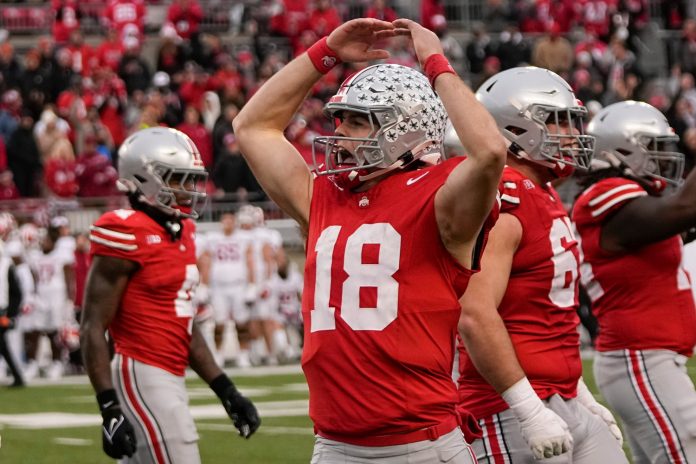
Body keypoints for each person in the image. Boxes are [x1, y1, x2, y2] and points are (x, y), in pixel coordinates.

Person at [234, 17, 508, 462]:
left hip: (423, 445)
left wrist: (435, 64)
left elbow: (491, 152)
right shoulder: (322, 195)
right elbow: (253, 126)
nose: (338, 133)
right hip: (334, 444)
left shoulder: (441, 199)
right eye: (339, 120)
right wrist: (325, 52)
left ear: (407, 129)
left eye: (357, 122)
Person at [453, 66, 627, 463]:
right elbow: (474, 313)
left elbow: (547, 312)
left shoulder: (541, 192)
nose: (572, 135)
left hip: (560, 394)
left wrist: (577, 390)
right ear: (515, 128)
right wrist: (528, 410)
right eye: (558, 122)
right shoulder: (506, 195)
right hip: (509, 406)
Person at [80, 127, 260, 462]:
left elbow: (184, 323)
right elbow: (92, 324)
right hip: (141, 369)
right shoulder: (125, 229)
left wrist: (226, 390)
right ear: (145, 179)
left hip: (170, 373)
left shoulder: (183, 231)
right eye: (179, 179)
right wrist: (108, 406)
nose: (190, 190)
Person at [572, 100, 696, 463]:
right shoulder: (607, 195)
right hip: (641, 356)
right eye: (655, 148)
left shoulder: (633, 203)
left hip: (647, 356)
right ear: (624, 149)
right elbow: (684, 209)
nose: (664, 157)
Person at [0, 240, 23, 387]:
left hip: (2, 310)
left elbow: (16, 293)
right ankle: (17, 376)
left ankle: (17, 376)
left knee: (2, 345)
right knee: (2, 346)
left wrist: (10, 315)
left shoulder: (7, 265)